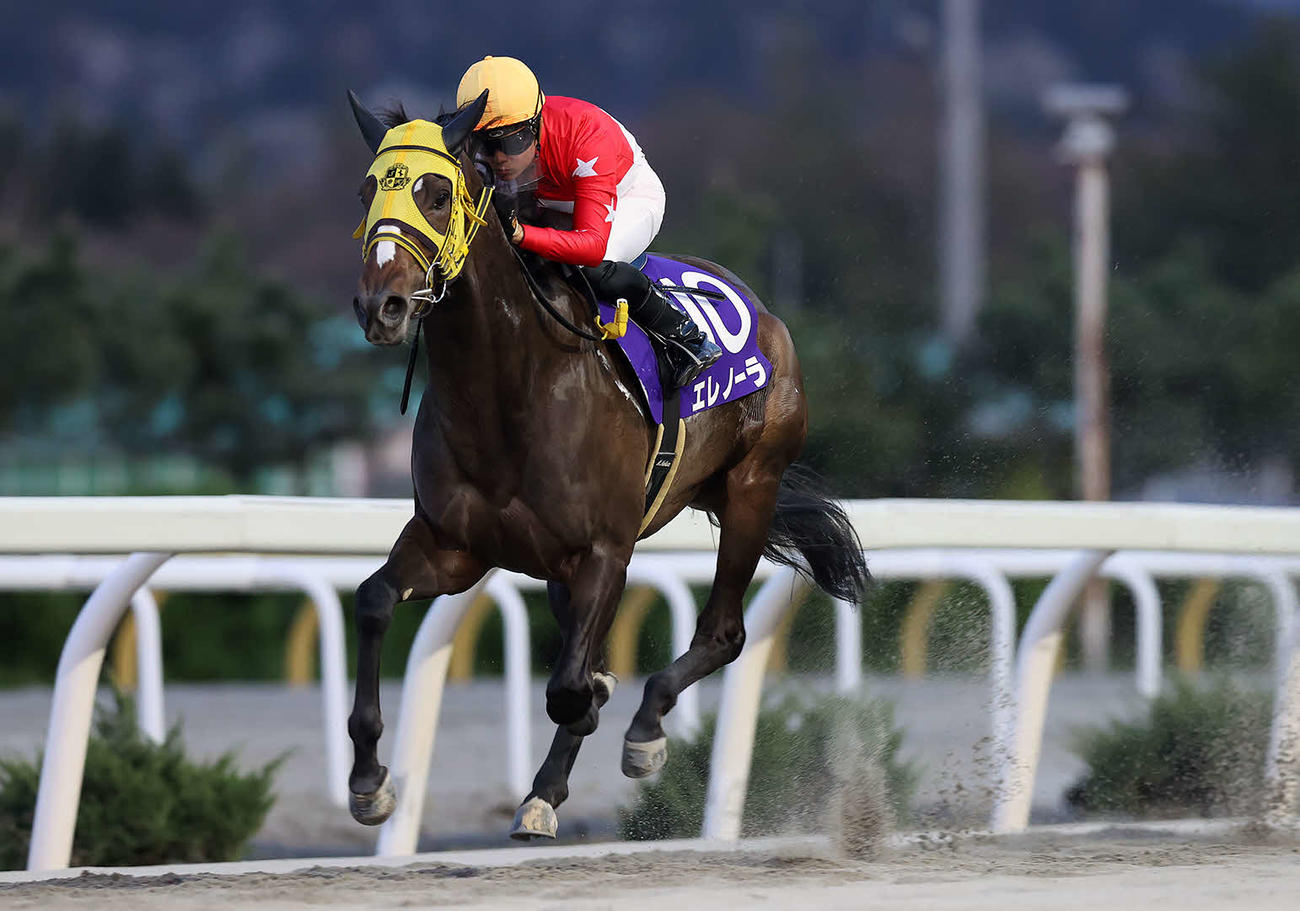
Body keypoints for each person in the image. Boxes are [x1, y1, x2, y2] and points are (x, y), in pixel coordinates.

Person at [456, 56, 721, 390]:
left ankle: (685, 338)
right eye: (484, 145)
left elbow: (592, 247)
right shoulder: (496, 149)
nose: (498, 159)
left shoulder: (585, 137)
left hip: (627, 196)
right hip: (551, 199)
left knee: (589, 267)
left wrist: (522, 234)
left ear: (535, 125)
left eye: (510, 142)